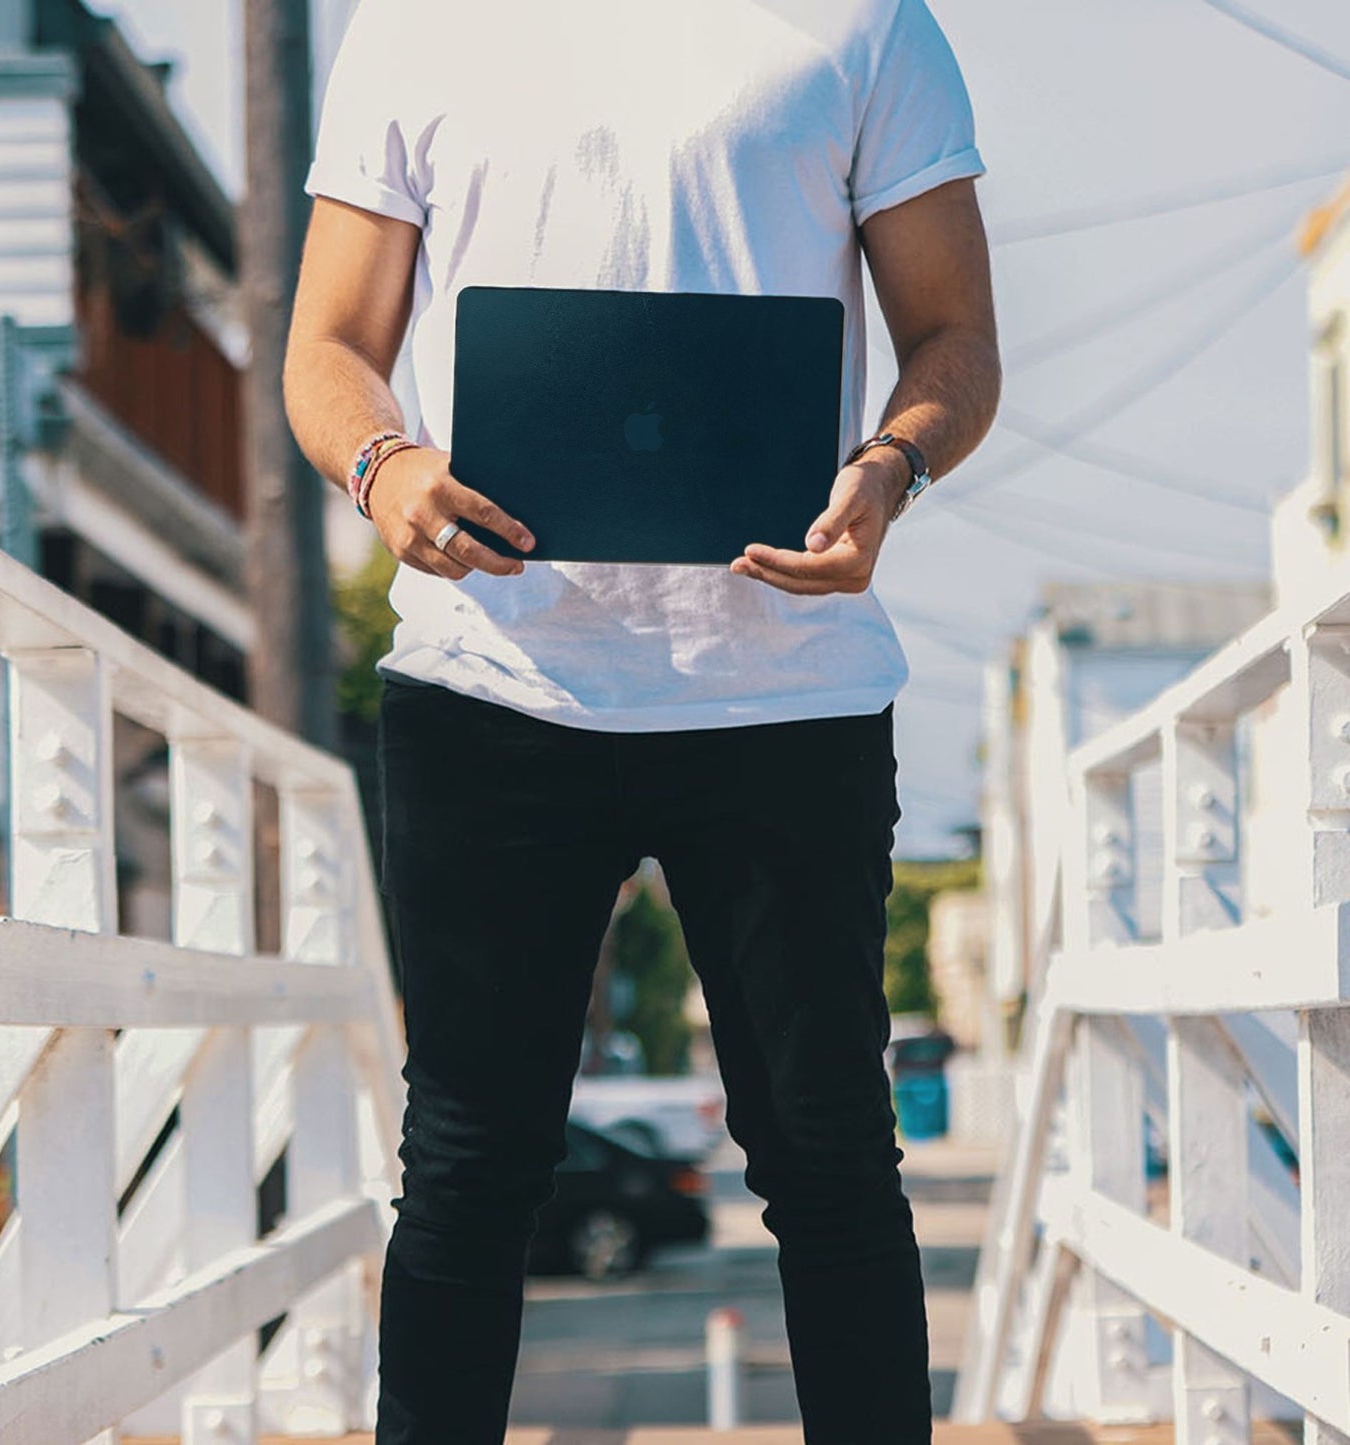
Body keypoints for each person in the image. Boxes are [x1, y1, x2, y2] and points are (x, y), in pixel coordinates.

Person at [284, 0, 999, 1439]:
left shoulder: (865, 24)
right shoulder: (416, 26)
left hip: (788, 686)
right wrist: (384, 467)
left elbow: (953, 335)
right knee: (469, 1163)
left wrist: (888, 470)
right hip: (497, 682)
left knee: (828, 1157)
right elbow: (328, 343)